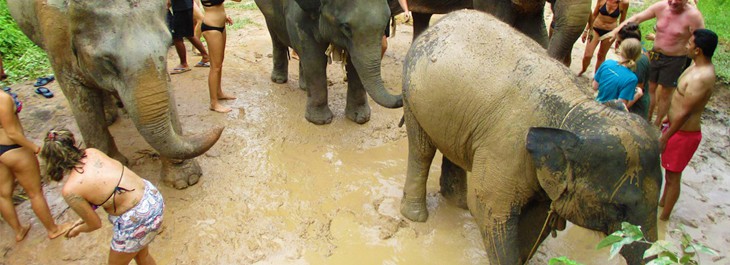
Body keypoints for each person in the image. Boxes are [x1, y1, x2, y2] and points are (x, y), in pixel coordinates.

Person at [39, 128, 165, 265]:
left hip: (136, 219)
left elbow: (95, 224)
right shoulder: (92, 152)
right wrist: (82, 220)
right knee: (141, 255)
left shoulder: (70, 190)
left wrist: (76, 230)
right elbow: (105, 188)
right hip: (151, 198)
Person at [608, 0, 704, 127]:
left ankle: (657, 123)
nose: (673, 2)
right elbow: (637, 18)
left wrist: (697, 65)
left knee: (665, 92)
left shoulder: (693, 16)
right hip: (655, 55)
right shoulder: (661, 6)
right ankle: (646, 119)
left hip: (675, 59)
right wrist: (617, 30)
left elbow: (701, 39)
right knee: (650, 88)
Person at [658, 29, 717, 221]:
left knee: (673, 177)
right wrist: (668, 118)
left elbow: (686, 112)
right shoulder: (694, 66)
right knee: (668, 173)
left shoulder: (702, 77)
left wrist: (667, 136)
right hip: (675, 127)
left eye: (690, 44)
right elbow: (679, 101)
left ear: (698, 50)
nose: (687, 46)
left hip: (683, 134)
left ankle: (664, 218)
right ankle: (661, 203)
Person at [0, 92, 72, 242]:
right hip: (14, 148)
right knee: (35, 193)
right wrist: (35, 148)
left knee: (3, 194)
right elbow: (12, 133)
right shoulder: (3, 98)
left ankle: (19, 231)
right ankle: (53, 230)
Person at [200, 0, 240, 113]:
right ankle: (213, 103)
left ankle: (219, 92)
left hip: (220, 25)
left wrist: (224, 16)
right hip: (211, 28)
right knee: (215, 67)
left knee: (219, 63)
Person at [577, 0, 629, 76]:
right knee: (588, 55)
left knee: (601, 55)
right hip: (596, 28)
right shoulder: (602, 0)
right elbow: (594, 15)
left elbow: (622, 21)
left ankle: (596, 76)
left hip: (610, 32)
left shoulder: (624, 3)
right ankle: (583, 69)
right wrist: (586, 30)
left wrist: (619, 37)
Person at [592, 38, 643, 109]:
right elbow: (620, 107)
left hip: (596, 105)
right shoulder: (632, 79)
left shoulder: (607, 63)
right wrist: (637, 95)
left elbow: (595, 86)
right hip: (610, 113)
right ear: (638, 56)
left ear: (620, 50)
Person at [617, 22, 651, 119]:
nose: (617, 45)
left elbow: (637, 91)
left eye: (619, 42)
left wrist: (620, 109)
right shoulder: (636, 54)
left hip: (634, 108)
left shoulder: (639, 62)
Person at [168, 0, 211, 74]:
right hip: (187, 6)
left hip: (181, 8)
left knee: (177, 37)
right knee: (189, 34)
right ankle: (205, 56)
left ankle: (183, 64)